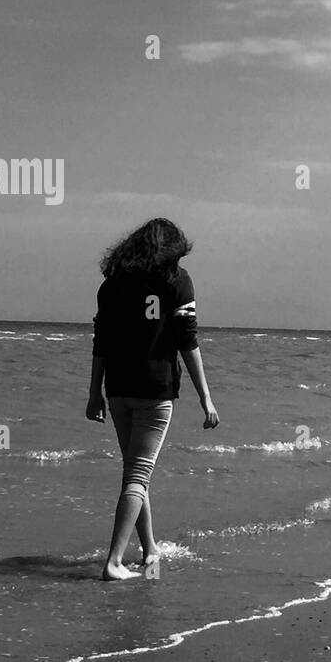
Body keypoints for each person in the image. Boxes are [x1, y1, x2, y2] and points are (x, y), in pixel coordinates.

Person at [86, 218, 219, 580]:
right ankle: (114, 562)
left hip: (117, 389)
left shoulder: (112, 286)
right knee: (138, 475)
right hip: (155, 390)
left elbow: (102, 343)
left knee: (134, 472)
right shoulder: (177, 281)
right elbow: (187, 341)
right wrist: (205, 397)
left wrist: (93, 393)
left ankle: (149, 548)